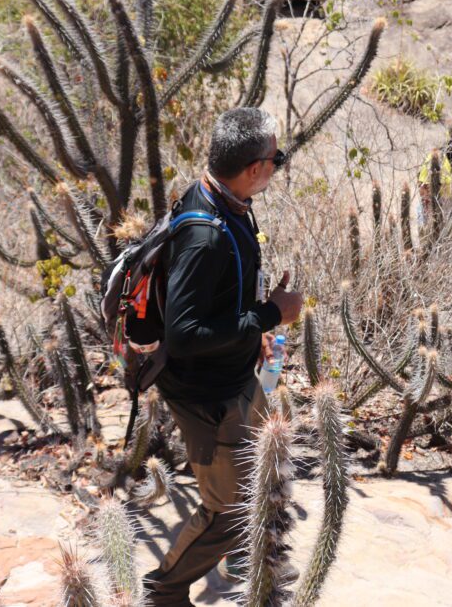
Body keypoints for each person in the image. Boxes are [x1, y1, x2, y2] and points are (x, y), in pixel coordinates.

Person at [143, 108, 304, 606]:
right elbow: (185, 334)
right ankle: (164, 591)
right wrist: (270, 315)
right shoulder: (206, 234)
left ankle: (250, 559)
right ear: (254, 168)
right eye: (276, 157)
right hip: (205, 397)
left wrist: (255, 314)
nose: (278, 163)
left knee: (258, 475)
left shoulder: (226, 199)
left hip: (234, 375)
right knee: (226, 505)